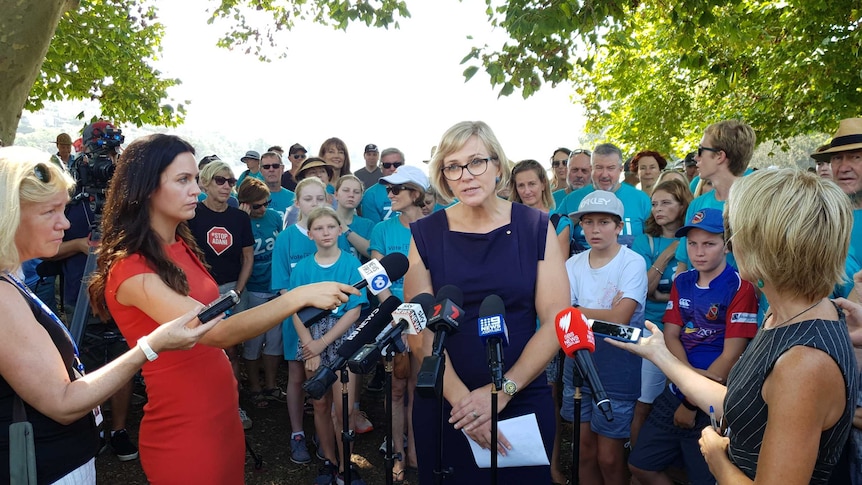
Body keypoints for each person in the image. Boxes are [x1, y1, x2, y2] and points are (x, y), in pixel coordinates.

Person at [87, 134, 356, 484]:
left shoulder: (181, 244)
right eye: (182, 180)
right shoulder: (132, 268)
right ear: (146, 187)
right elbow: (214, 331)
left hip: (221, 414)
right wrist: (296, 297)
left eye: (194, 179)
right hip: (185, 427)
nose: (195, 190)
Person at [610, 168, 857, 484]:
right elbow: (745, 404)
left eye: (735, 231)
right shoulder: (789, 315)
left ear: (763, 245)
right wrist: (661, 355)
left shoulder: (803, 363)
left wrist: (716, 458)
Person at [0, 145, 219, 483]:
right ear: (9, 214)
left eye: (65, 208)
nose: (65, 222)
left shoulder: (11, 280)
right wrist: (151, 346)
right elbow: (61, 401)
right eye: (50, 212)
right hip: (45, 468)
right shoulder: (2, 296)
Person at [405, 121, 570, 483]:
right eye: (453, 166)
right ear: (444, 176)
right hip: (448, 403)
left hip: (520, 394)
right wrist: (467, 404)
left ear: (498, 165)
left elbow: (557, 319)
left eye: (477, 161)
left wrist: (500, 392)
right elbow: (418, 330)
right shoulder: (427, 233)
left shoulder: (536, 228)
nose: (466, 175)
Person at [628, 208, 758, 485]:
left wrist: (690, 398)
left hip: (715, 399)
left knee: (707, 477)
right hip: (679, 388)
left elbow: (732, 354)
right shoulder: (683, 282)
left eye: (709, 243)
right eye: (692, 244)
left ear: (727, 245)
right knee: (640, 465)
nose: (699, 252)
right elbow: (671, 335)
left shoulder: (741, 287)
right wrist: (685, 380)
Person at [561, 190, 647, 485]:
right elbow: (564, 316)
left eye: (604, 222)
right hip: (579, 363)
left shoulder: (632, 262)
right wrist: (602, 312)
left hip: (618, 364)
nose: (594, 230)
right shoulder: (573, 265)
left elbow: (621, 317)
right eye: (588, 222)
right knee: (583, 451)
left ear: (619, 226)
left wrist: (578, 310)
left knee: (609, 457)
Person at [291, 206, 369, 484]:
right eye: (319, 228)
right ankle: (329, 460)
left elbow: (355, 310)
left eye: (330, 227)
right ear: (310, 234)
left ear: (339, 230)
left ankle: (346, 462)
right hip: (311, 340)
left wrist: (324, 342)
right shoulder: (302, 268)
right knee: (320, 404)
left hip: (342, 339)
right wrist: (309, 346)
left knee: (344, 409)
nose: (325, 232)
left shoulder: (350, 264)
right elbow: (295, 310)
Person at [369, 165, 429, 483]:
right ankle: (397, 452)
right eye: (388, 189)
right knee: (395, 387)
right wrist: (395, 317)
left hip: (426, 316)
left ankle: (417, 448)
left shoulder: (437, 227)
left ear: (415, 193)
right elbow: (378, 280)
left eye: (396, 189)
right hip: (391, 315)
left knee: (419, 386)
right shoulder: (382, 229)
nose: (389, 194)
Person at [629, 178, 692, 447]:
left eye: (666, 203)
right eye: (655, 204)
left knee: (681, 397)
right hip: (651, 328)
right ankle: (635, 460)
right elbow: (643, 289)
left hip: (688, 329)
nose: (658, 209)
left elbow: (687, 293)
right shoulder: (645, 241)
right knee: (645, 401)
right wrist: (668, 254)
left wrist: (663, 294)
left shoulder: (695, 240)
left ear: (682, 205)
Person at [272, 176, 331, 462]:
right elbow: (282, 284)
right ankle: (297, 433)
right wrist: (305, 306)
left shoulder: (331, 233)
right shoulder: (286, 238)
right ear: (297, 203)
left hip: (331, 323)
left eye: (320, 198)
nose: (314, 204)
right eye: (308, 199)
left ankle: (325, 433)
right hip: (297, 319)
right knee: (296, 376)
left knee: (327, 376)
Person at [674, 120, 756, 273]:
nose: (696, 158)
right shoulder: (697, 204)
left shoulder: (755, 205)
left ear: (719, 156)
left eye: (700, 150)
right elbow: (683, 264)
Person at [235, 178, 287, 410]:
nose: (263, 209)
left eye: (266, 203)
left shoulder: (275, 217)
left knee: (275, 341)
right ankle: (255, 388)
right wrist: (241, 220)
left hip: (275, 286)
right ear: (244, 204)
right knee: (254, 342)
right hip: (253, 288)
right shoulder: (238, 221)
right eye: (257, 205)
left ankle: (271, 384)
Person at [556, 143, 652, 248]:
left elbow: (654, 241)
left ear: (620, 169)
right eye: (599, 168)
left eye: (610, 168)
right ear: (591, 168)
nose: (604, 174)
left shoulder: (641, 199)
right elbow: (552, 239)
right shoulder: (572, 199)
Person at [360, 147, 405, 224]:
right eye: (387, 165)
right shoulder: (370, 194)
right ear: (381, 167)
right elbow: (374, 228)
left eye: (397, 164)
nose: (392, 168)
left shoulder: (415, 189)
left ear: (403, 165)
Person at [259, 150, 295, 219]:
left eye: (275, 166)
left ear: (282, 169)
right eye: (267, 167)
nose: (271, 170)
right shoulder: (253, 198)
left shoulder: (294, 198)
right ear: (261, 171)